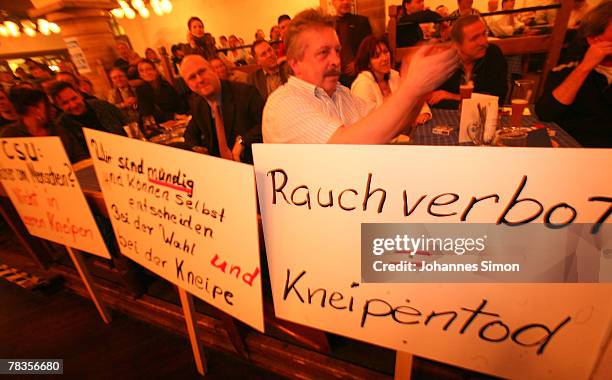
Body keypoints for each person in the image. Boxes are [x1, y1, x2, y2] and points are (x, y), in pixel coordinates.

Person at [263, 8, 457, 144]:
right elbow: (346, 144)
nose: (335, 60)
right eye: (323, 52)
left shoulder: (342, 94)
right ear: (295, 63)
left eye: (337, 50)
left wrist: (421, 90)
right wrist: (411, 86)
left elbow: (392, 124)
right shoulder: (283, 103)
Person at [536, 1, 612, 148]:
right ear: (594, 39)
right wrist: (585, 67)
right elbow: (546, 112)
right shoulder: (567, 70)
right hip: (579, 153)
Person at [179, 55, 264, 163]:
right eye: (192, 77)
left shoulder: (246, 93)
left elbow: (265, 125)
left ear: (213, 70)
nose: (199, 79)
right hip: (218, 169)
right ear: (188, 85)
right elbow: (190, 133)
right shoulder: (198, 104)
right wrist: (195, 148)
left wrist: (243, 141)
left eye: (202, 72)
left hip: (250, 164)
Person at [428, 15, 507, 109]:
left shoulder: (493, 54)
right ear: (457, 44)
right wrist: (476, 99)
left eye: (484, 34)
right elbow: (434, 100)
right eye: (474, 38)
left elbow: (497, 98)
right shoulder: (443, 62)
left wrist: (454, 96)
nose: (483, 42)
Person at [351, 36, 432, 125]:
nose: (385, 58)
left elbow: (413, 98)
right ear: (368, 63)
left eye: (386, 52)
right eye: (377, 56)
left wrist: (424, 113)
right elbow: (371, 124)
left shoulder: (394, 76)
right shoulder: (362, 85)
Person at [49, 81, 127, 162]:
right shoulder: (62, 126)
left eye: (74, 98)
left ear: (80, 95)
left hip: (126, 153)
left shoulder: (102, 106)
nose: (73, 105)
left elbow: (127, 123)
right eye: (65, 103)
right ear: (58, 106)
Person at [332, 0, 372, 86]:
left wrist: (357, 63)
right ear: (333, 2)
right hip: (334, 75)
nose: (346, 2)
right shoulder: (328, 24)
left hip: (357, 75)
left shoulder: (362, 22)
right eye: (341, 0)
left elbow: (369, 47)